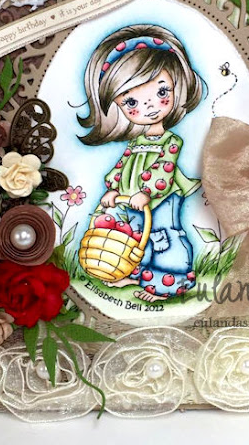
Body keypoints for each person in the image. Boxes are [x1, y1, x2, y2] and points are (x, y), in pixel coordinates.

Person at [78, 25, 203, 301]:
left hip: (162, 197)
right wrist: (113, 189)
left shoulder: (171, 141)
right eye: (132, 102)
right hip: (131, 197)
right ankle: (135, 273)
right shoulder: (135, 142)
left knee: (164, 235)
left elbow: (164, 169)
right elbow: (122, 166)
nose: (150, 107)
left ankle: (168, 283)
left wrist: (146, 192)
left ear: (177, 87)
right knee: (135, 234)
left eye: (162, 92)